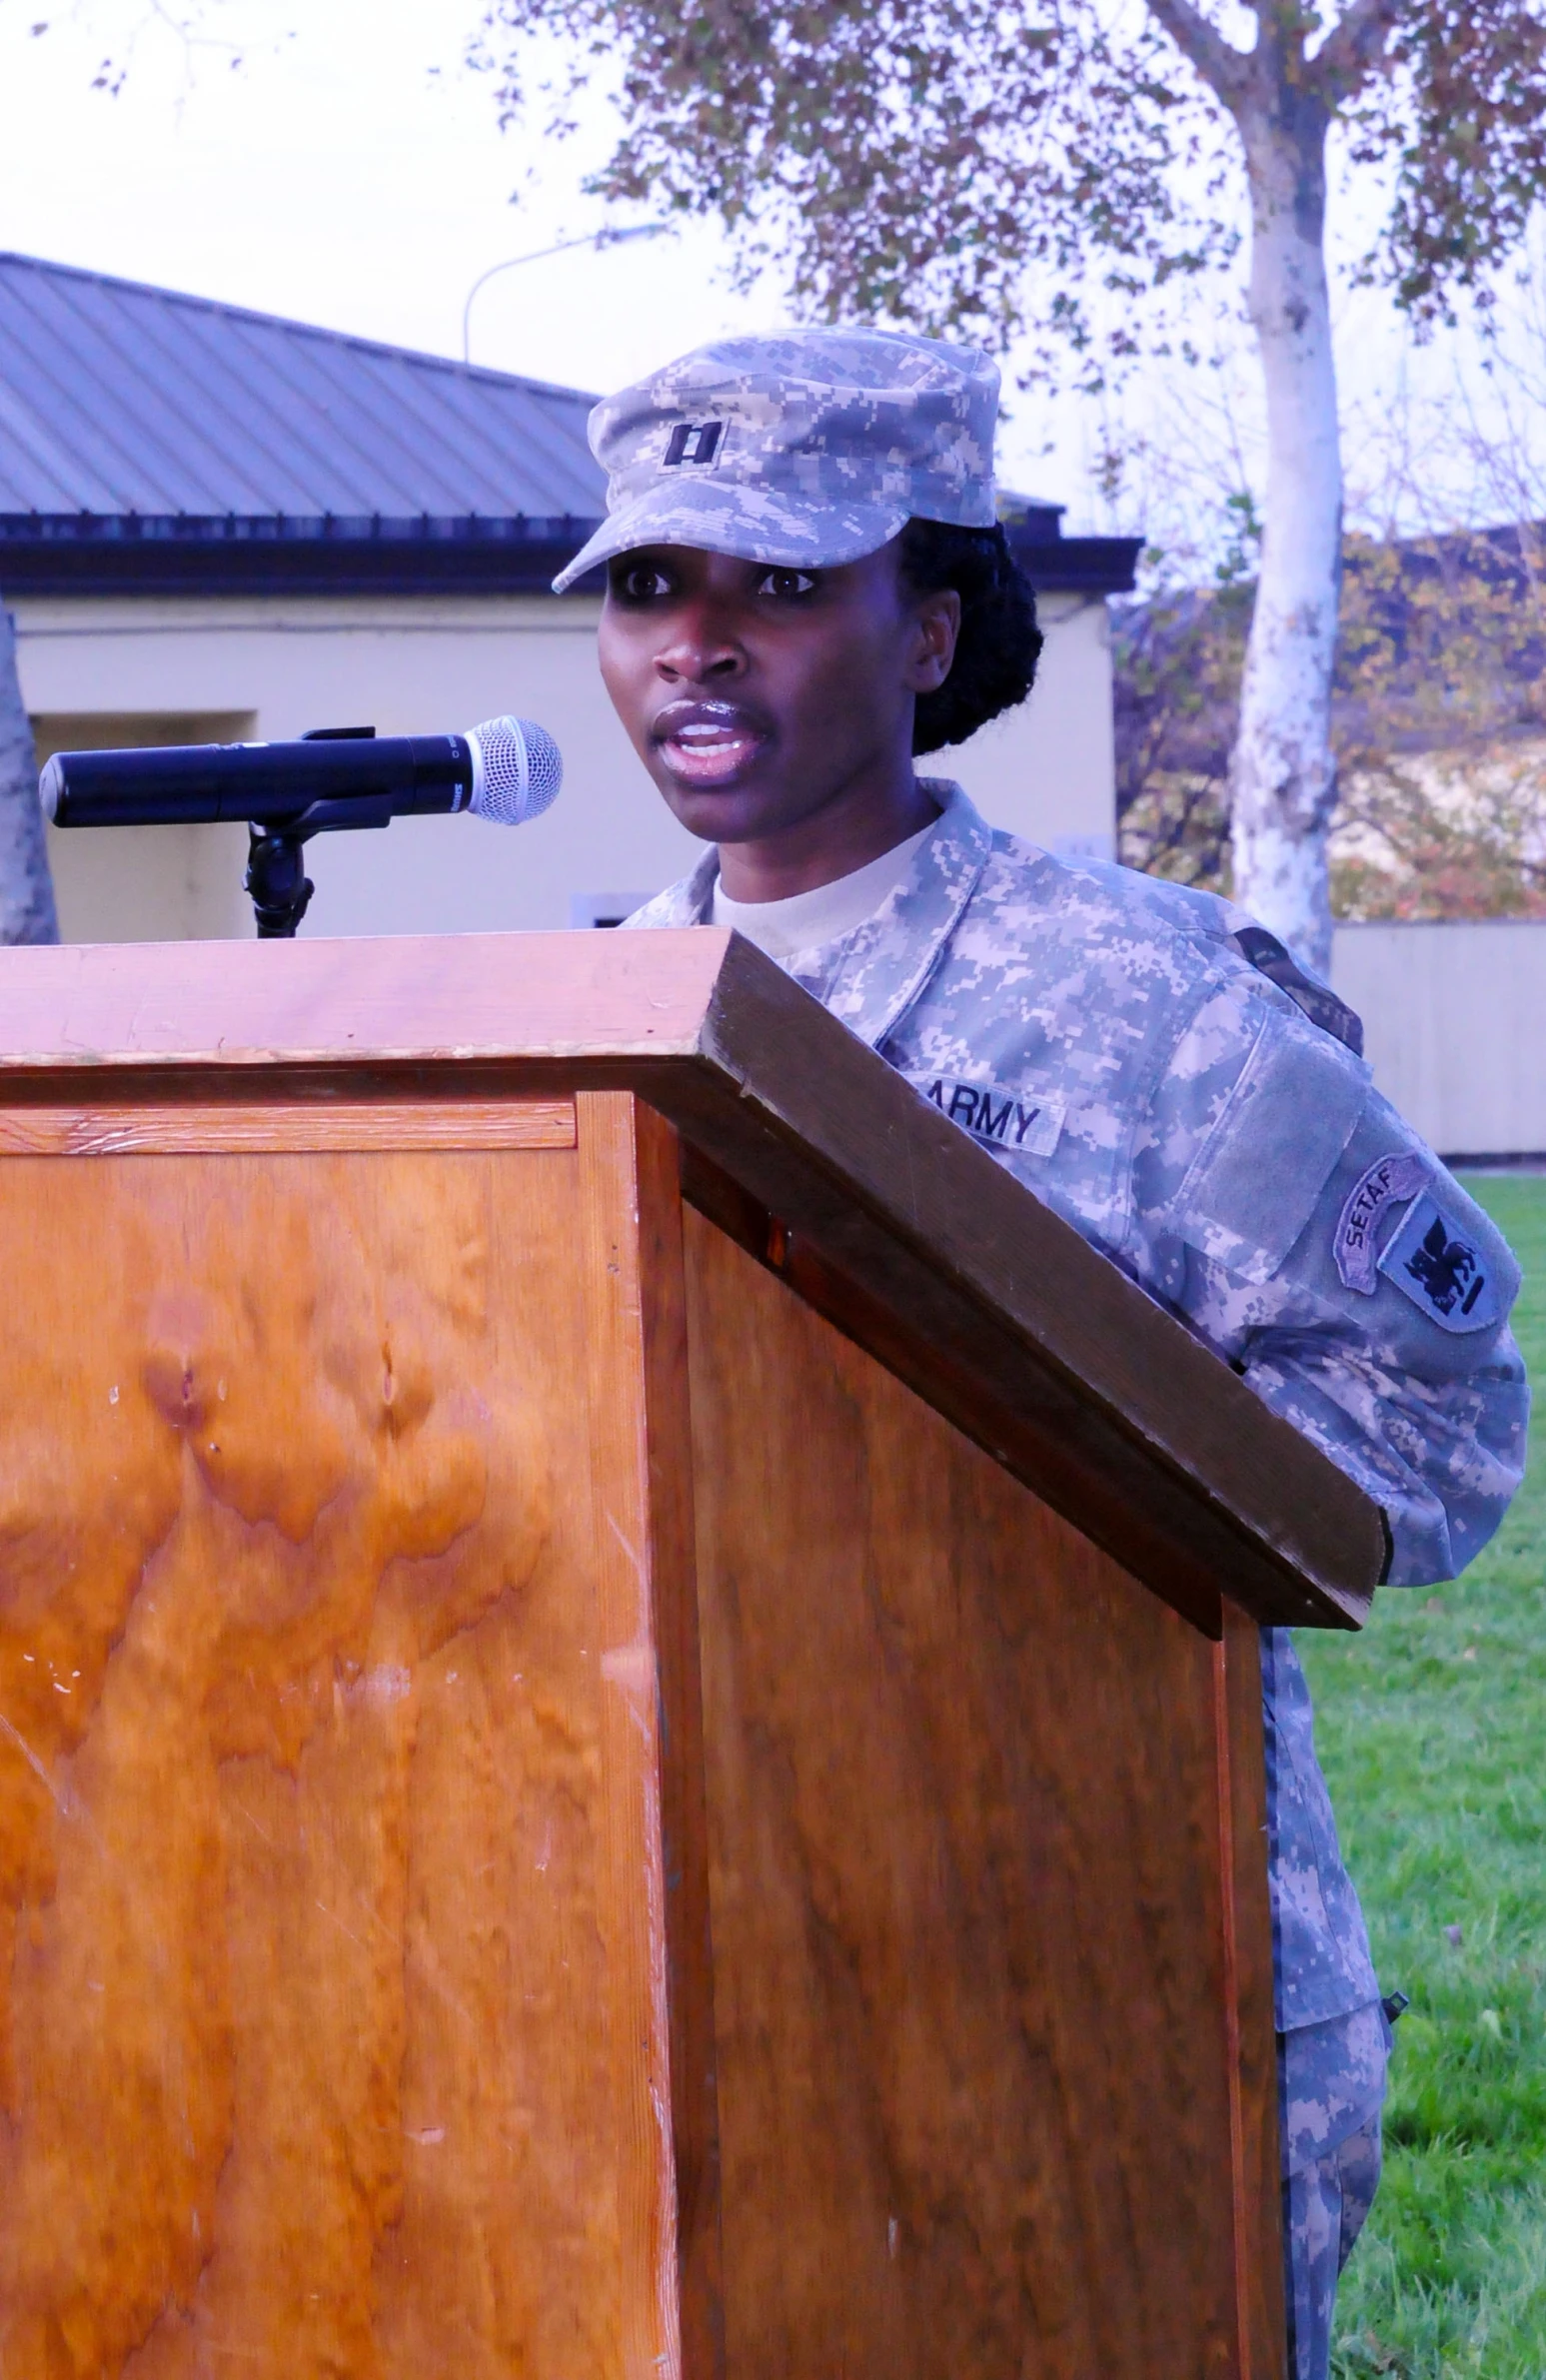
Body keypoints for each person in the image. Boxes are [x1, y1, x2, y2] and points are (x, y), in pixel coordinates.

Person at [553, 328, 1529, 2379]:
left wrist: (1037, 1485)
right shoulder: (568, 1028)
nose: (693, 646)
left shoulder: (1144, 1002)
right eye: (649, 586)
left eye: (776, 583)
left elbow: (1435, 1426)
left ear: (926, 625)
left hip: (1105, 1967)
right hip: (694, 1966)